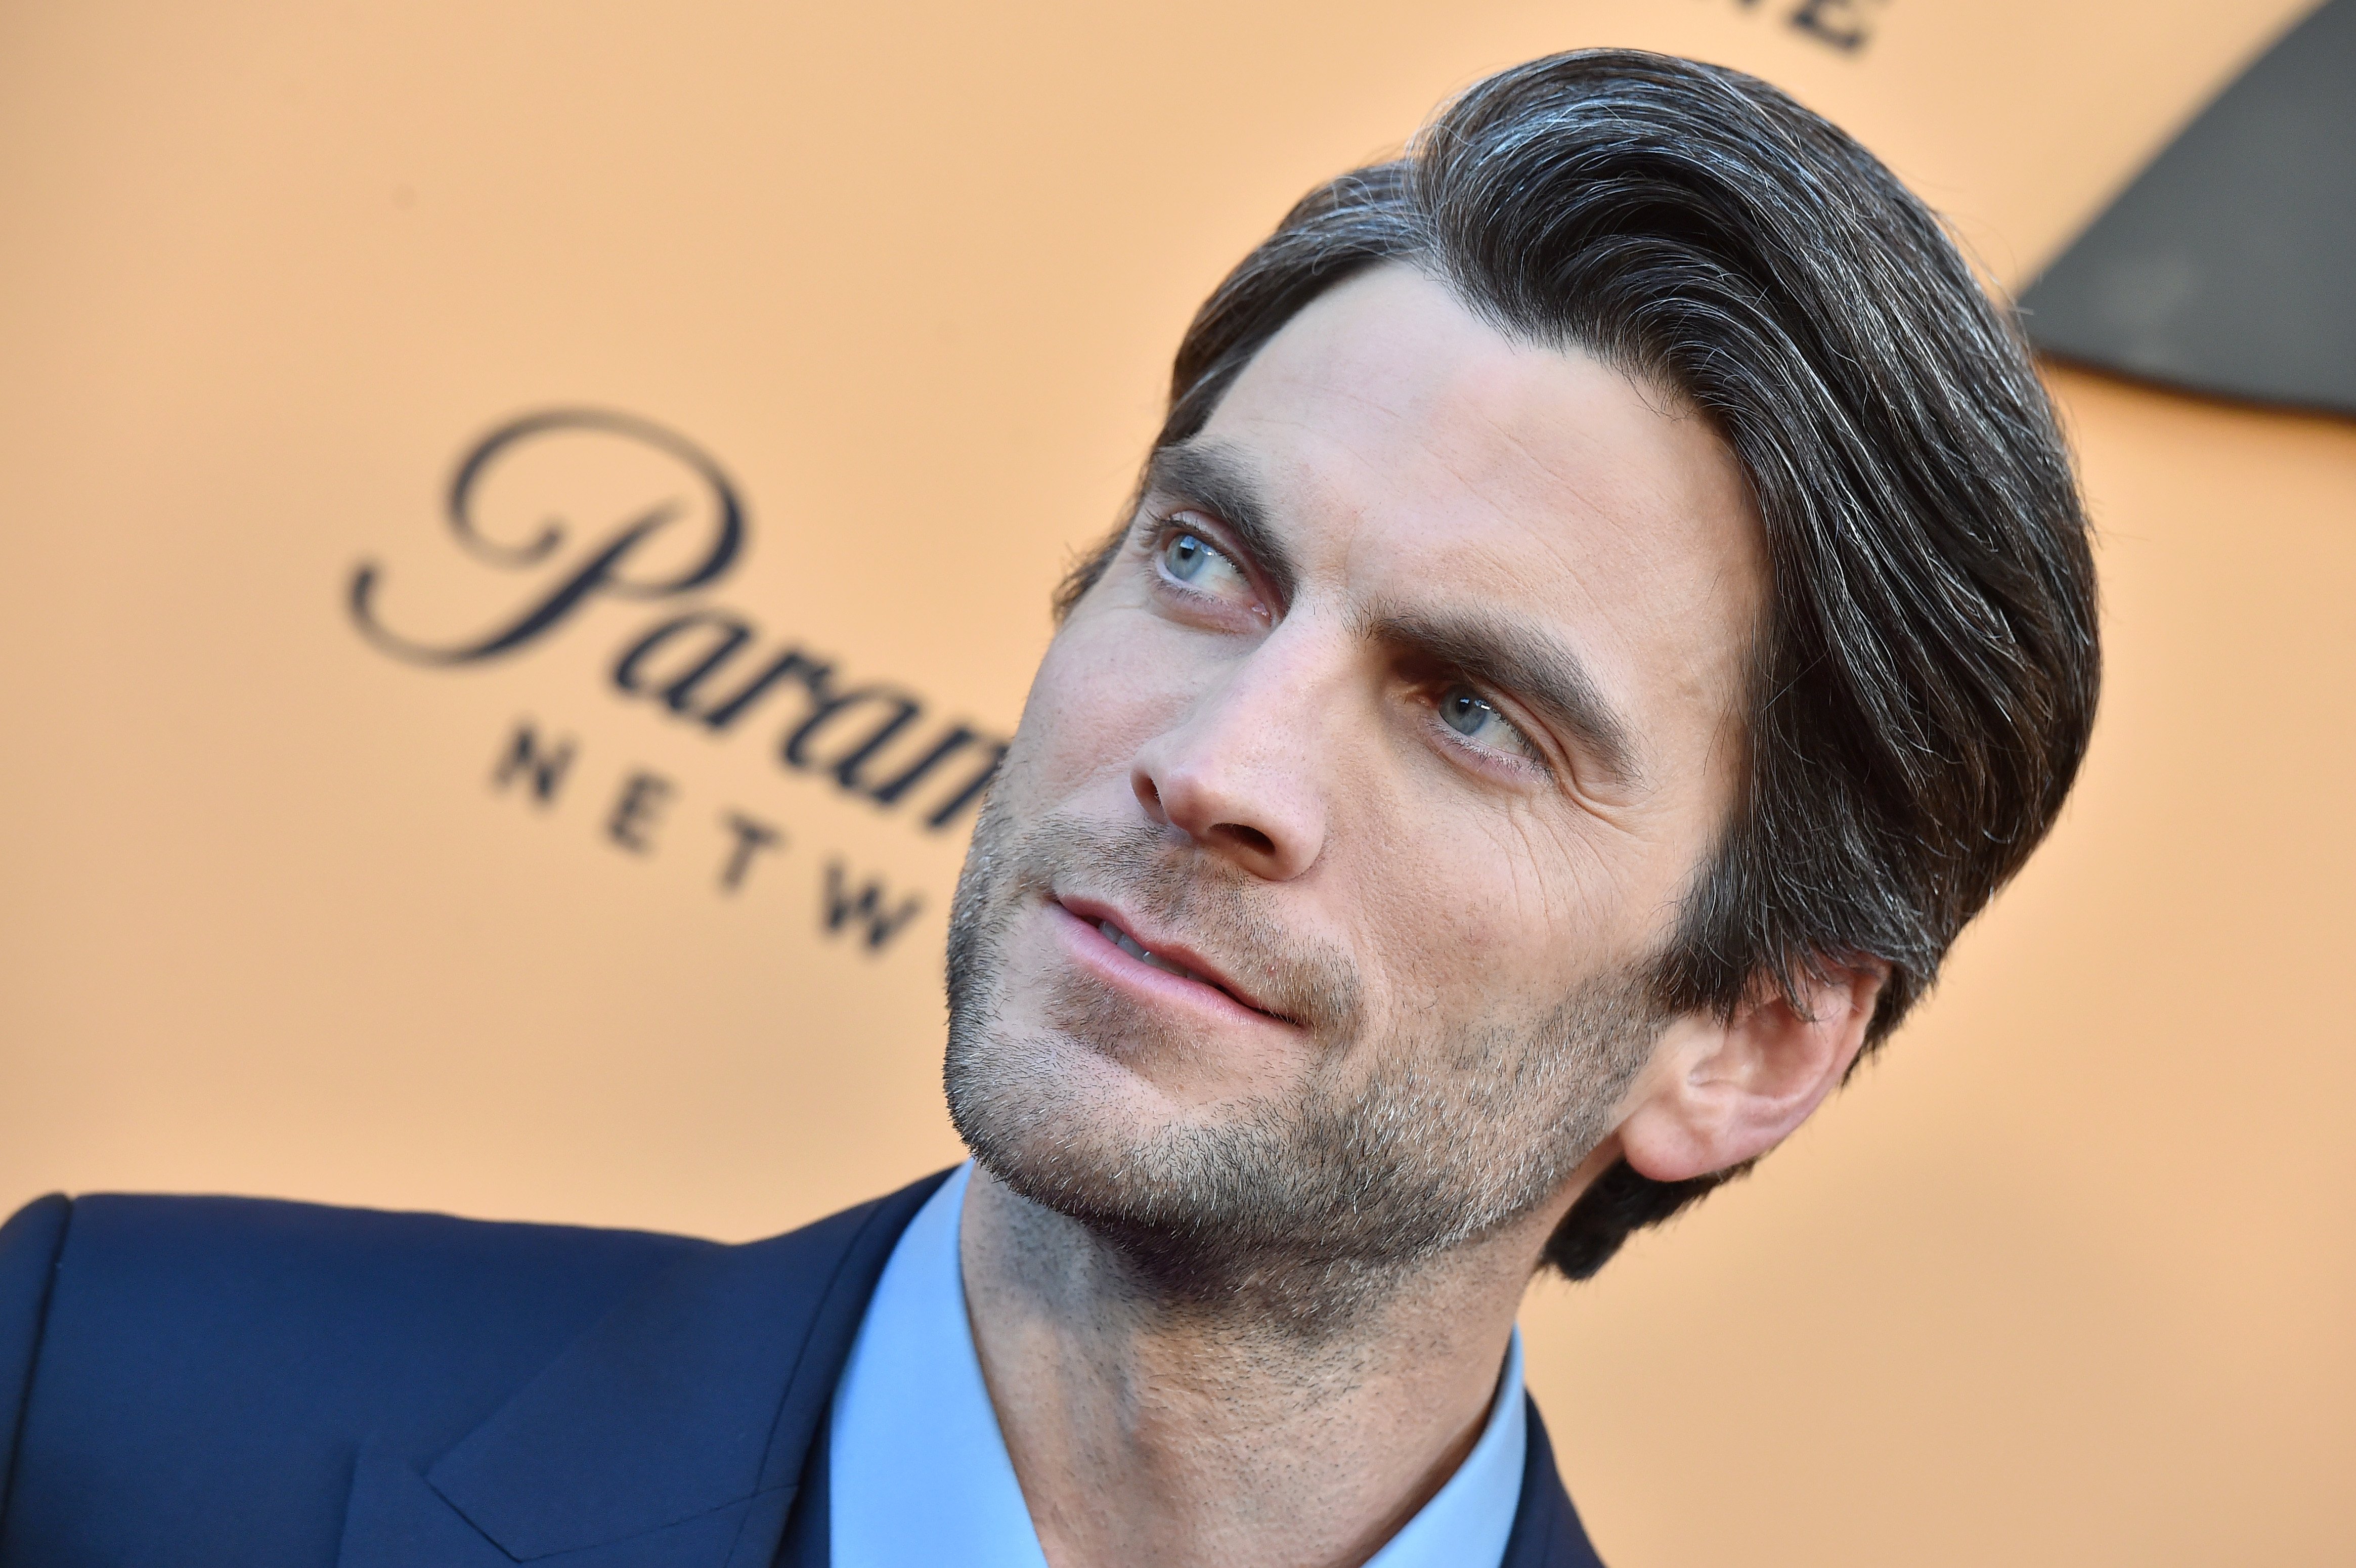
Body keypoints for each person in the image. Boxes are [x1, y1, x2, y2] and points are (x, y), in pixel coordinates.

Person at [0, 47, 2098, 1568]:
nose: (1218, 763)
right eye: (1206, 563)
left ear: (1752, 1037)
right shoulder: (106, 1414)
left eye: (1468, 710)